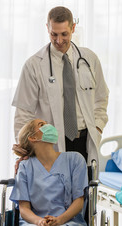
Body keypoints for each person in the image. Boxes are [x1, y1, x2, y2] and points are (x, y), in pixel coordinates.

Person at [12, 6, 109, 179]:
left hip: (84, 142)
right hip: (50, 145)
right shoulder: (34, 65)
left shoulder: (89, 59)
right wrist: (25, 148)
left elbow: (101, 98)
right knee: (53, 200)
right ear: (47, 28)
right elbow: (23, 112)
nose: (58, 40)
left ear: (73, 28)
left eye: (64, 34)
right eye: (54, 34)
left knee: (83, 199)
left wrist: (97, 127)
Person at [10, 119, 88, 226]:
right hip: (32, 223)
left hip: (68, 223)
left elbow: (79, 201)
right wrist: (39, 222)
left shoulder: (75, 160)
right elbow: (24, 208)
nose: (49, 126)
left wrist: (59, 220)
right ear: (33, 138)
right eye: (42, 125)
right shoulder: (25, 166)